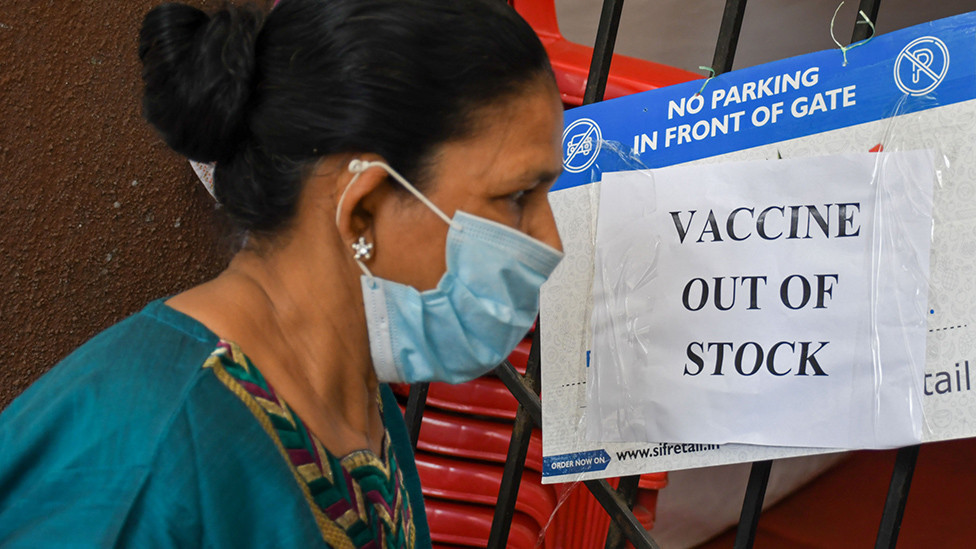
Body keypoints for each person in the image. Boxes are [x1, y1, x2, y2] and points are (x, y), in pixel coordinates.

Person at [0, 0, 564, 546]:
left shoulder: (361, 409)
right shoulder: (146, 455)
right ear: (362, 208)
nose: (552, 241)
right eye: (516, 195)